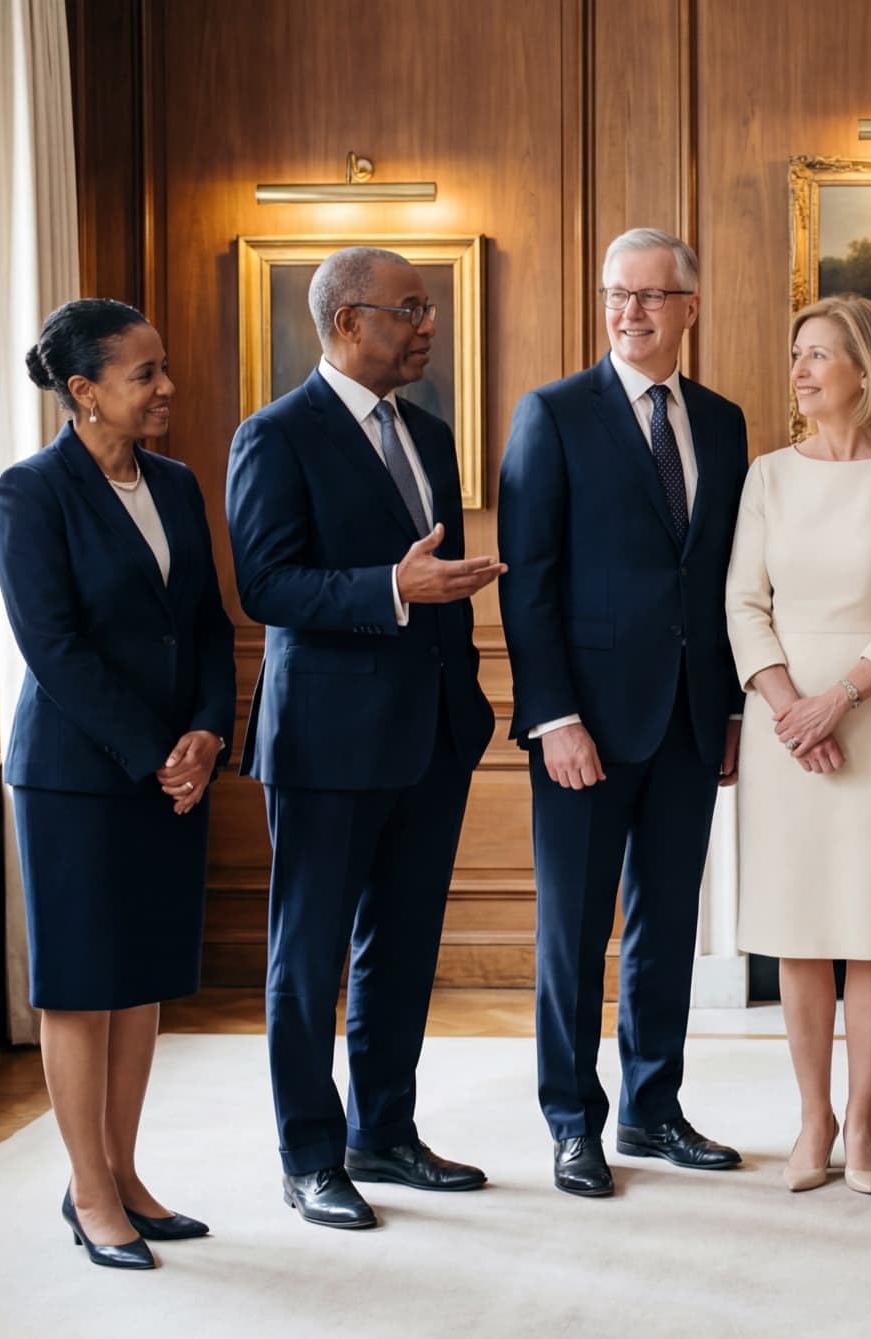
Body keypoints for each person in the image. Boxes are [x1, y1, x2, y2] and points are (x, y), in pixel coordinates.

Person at [226, 246, 502, 1230]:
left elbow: (438, 576)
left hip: (433, 733)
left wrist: (464, 682)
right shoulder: (274, 435)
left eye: (427, 309)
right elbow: (265, 585)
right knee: (308, 960)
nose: (428, 326)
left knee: (403, 946)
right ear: (347, 322)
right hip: (325, 742)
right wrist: (392, 586)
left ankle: (383, 1132)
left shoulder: (429, 433)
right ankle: (309, 1157)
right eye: (409, 310)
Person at [499, 228, 748, 1197]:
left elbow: (723, 579)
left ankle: (652, 1107)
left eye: (649, 296)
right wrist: (552, 715)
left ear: (690, 307)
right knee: (573, 932)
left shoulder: (722, 422)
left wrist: (729, 709)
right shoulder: (553, 414)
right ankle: (573, 1123)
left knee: (666, 924)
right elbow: (528, 580)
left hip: (690, 717)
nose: (629, 312)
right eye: (616, 294)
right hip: (585, 725)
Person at [0, 298, 235, 1269]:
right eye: (145, 374)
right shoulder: (31, 492)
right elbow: (53, 647)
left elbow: (208, 624)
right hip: (76, 779)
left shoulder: (176, 483)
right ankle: (89, 1191)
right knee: (82, 986)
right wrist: (155, 752)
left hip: (174, 771)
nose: (167, 386)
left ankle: (125, 1173)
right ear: (84, 391)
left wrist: (207, 732)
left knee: (140, 984)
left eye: (163, 367)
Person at [725, 295, 871, 1195]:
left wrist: (839, 701)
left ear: (867, 368)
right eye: (797, 355)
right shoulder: (768, 476)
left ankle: (863, 1118)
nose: (801, 371)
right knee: (799, 928)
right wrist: (792, 709)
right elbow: (744, 603)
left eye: (820, 354)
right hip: (784, 726)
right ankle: (812, 1116)